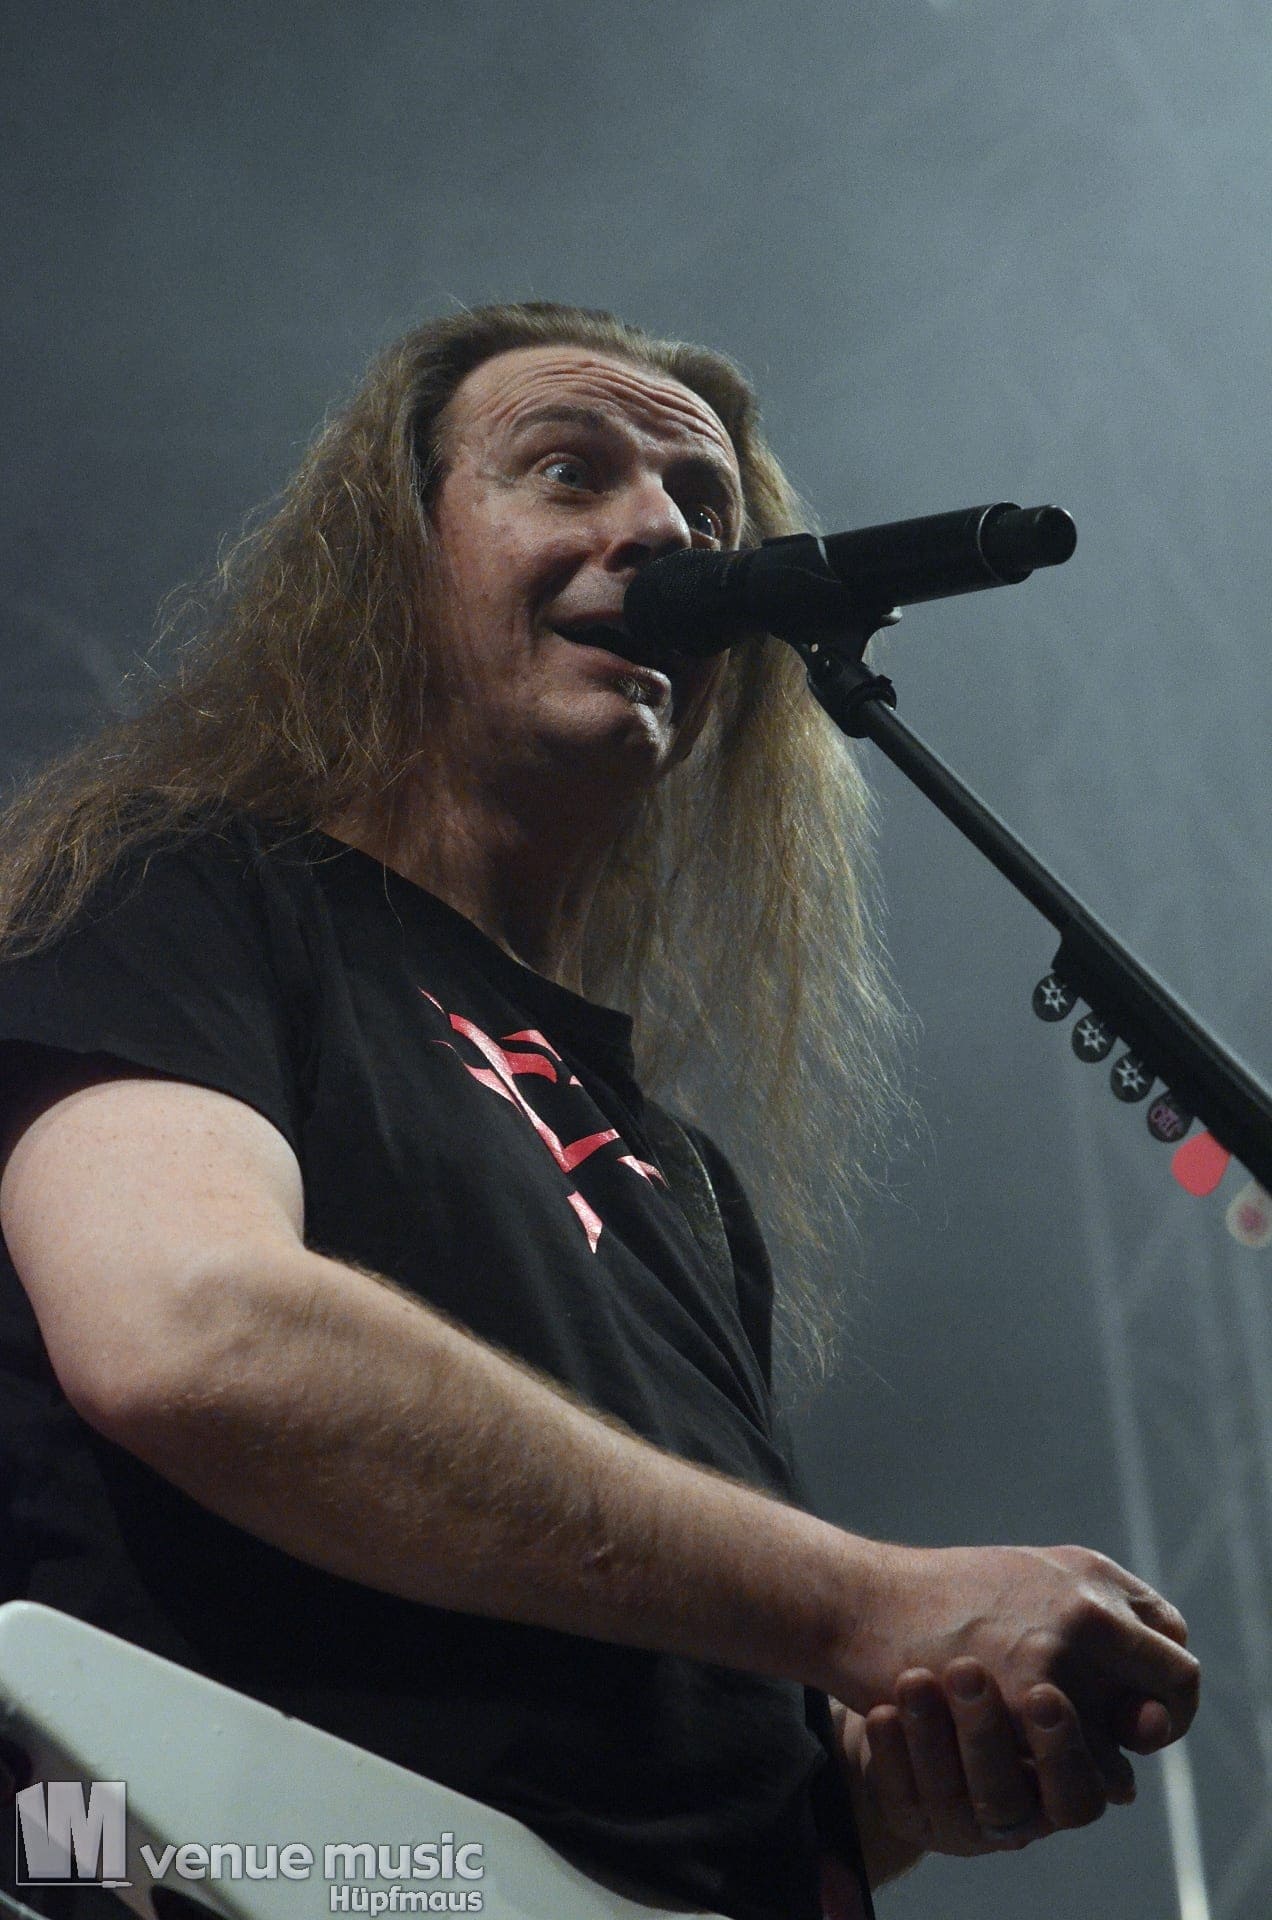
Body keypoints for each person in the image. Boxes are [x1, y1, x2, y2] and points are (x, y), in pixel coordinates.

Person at [0, 301, 1199, 1920]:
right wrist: (863, 1602)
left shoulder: (681, 1174)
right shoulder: (180, 893)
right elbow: (190, 1334)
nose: (662, 533)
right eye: (568, 471)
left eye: (706, 508)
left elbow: (663, 1738)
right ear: (387, 560)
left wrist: (874, 1794)